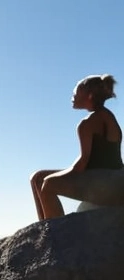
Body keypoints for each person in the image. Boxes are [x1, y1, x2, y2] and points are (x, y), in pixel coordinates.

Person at [30, 74, 124, 220]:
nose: (72, 95)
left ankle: (55, 231)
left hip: (106, 182)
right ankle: (43, 227)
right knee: (37, 177)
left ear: (90, 95)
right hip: (114, 178)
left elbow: (81, 165)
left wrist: (52, 177)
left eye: (76, 91)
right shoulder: (107, 116)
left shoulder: (87, 124)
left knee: (48, 183)